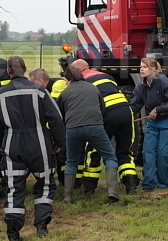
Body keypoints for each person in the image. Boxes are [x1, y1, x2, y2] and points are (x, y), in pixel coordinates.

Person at [0, 56, 66, 241]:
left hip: (12, 143)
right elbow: (55, 118)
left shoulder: (1, 94)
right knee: (46, 183)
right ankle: (41, 226)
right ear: (25, 69)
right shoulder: (39, 90)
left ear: (8, 72)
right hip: (38, 142)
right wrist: (60, 143)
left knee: (13, 188)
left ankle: (13, 234)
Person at [71, 59, 140, 194]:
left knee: (94, 150)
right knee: (124, 152)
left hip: (107, 113)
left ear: (77, 70)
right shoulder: (106, 76)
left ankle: (89, 188)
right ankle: (131, 186)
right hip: (126, 111)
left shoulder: (81, 82)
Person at [57, 67, 119, 204]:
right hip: (95, 127)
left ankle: (67, 197)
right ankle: (112, 192)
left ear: (68, 78)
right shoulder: (93, 88)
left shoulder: (65, 92)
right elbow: (102, 108)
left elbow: (60, 115)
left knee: (71, 162)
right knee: (109, 157)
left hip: (73, 130)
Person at [129, 57, 168, 192]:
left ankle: (163, 183)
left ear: (153, 69)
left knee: (164, 153)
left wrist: (158, 109)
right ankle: (149, 183)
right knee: (148, 152)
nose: (141, 69)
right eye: (140, 67)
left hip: (167, 120)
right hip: (152, 123)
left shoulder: (165, 83)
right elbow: (135, 105)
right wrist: (124, 114)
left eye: (144, 67)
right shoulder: (141, 87)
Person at [28, 68, 69, 184]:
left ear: (40, 81)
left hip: (63, 125)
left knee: (62, 153)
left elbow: (54, 111)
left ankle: (64, 179)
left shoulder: (58, 85)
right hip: (57, 125)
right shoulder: (45, 88)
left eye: (32, 82)